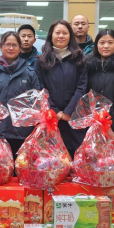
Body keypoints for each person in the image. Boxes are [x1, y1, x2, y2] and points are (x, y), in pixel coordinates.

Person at [0, 31, 41, 156]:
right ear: (1, 46)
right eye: (8, 44)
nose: (11, 48)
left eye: (14, 45)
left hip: (23, 133)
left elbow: (36, 102)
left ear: (19, 48)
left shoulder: (30, 73)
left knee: (21, 166)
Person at [35, 20, 88, 158]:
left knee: (76, 156)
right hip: (50, 117)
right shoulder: (41, 60)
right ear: (51, 35)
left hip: (74, 116)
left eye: (65, 33)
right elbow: (40, 88)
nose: (61, 36)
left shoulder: (79, 58)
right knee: (52, 158)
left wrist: (68, 111)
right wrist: (55, 111)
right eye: (57, 32)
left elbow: (82, 86)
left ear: (70, 36)